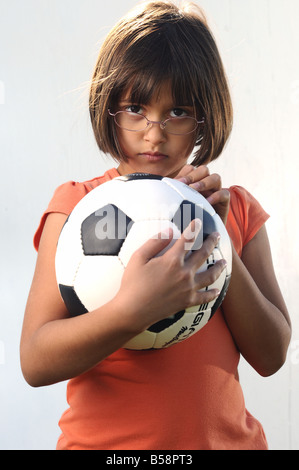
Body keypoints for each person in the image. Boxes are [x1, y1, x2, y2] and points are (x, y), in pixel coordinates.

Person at [20, 0, 291, 450]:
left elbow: (272, 355)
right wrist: (133, 310)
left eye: (179, 111)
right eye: (135, 108)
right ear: (108, 108)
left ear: (205, 115)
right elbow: (35, 360)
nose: (155, 132)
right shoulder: (78, 207)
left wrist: (217, 237)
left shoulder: (236, 210)